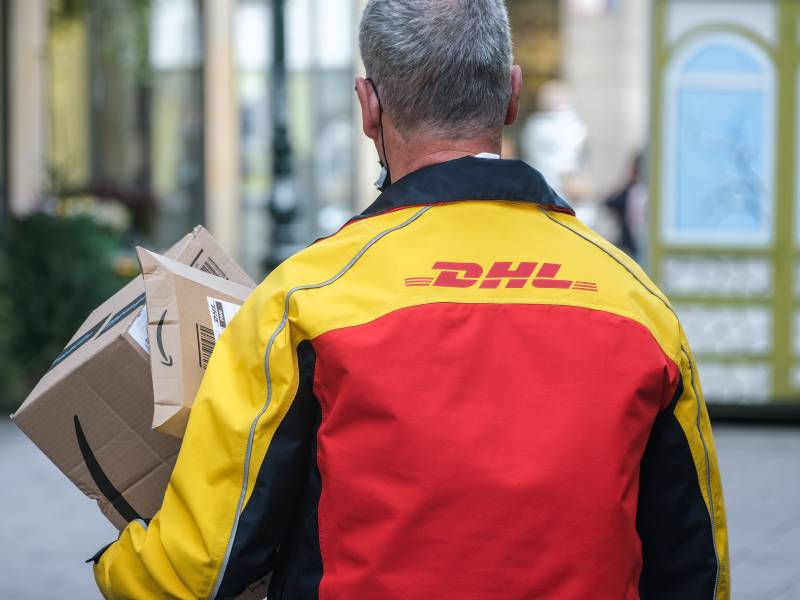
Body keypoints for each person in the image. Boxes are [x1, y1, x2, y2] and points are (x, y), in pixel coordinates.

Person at [91, 1, 730, 598]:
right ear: (512, 95)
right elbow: (695, 566)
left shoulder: (305, 299)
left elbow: (201, 567)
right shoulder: (638, 304)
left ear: (368, 107)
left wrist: (115, 563)